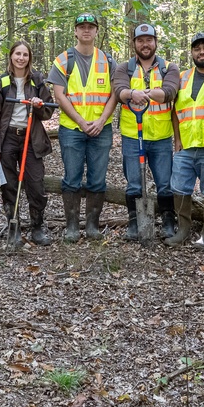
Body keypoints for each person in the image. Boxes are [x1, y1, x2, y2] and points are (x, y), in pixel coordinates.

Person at [47, 14, 118, 242]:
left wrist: (100, 121)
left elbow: (115, 94)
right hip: (71, 129)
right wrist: (80, 121)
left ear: (97, 31)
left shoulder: (108, 61)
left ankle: (92, 226)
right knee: (72, 178)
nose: (86, 30)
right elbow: (59, 95)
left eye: (91, 27)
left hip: (101, 128)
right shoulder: (63, 60)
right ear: (75, 31)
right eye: (82, 27)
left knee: (98, 179)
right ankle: (71, 227)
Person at [114, 23, 181, 240]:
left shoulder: (169, 68)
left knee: (165, 182)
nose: (145, 44)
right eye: (140, 40)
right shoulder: (124, 68)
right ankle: (134, 223)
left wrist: (140, 93)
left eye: (149, 40)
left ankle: (168, 222)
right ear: (134, 43)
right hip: (133, 134)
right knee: (133, 181)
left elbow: (170, 92)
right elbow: (120, 91)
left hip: (161, 136)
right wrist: (131, 93)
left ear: (155, 43)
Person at [0, 40, 57, 245]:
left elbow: (47, 112)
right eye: (17, 54)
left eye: (25, 55)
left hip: (31, 137)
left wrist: (37, 105)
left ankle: (37, 226)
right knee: (8, 184)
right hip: (7, 137)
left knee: (35, 182)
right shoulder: (1, 82)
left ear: (29, 58)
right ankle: (13, 227)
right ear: (11, 56)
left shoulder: (37, 80)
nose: (21, 58)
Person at [167, 33, 204, 249]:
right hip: (186, 146)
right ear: (192, 52)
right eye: (197, 49)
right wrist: (177, 138)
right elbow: (176, 110)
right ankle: (182, 231)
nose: (202, 52)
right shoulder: (182, 77)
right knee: (179, 188)